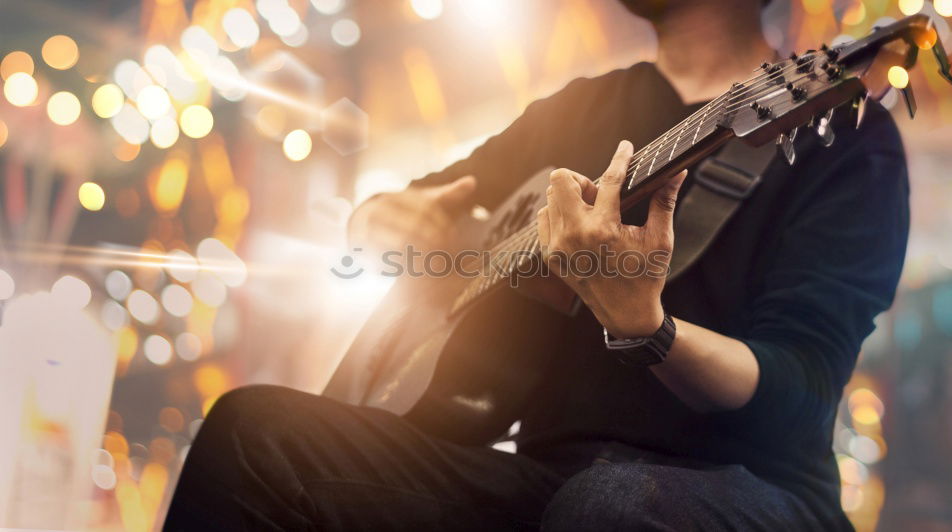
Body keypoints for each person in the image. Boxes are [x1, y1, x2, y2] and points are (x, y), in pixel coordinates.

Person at [165, 0, 908, 529]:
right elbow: (425, 204)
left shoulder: (842, 133)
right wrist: (380, 218)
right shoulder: (579, 108)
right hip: (552, 477)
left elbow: (801, 391)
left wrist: (646, 328)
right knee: (254, 433)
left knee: (611, 509)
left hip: (755, 493)